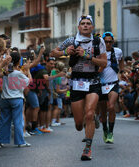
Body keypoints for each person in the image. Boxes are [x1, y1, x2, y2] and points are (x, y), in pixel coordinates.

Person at [51, 15, 107, 161]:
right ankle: (87, 121)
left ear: (92, 27)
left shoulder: (98, 41)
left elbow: (104, 63)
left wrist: (88, 56)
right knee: (78, 124)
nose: (86, 26)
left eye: (88, 23)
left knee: (89, 114)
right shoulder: (71, 40)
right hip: (76, 82)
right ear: (78, 27)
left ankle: (87, 149)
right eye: (83, 24)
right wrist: (64, 53)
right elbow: (53, 53)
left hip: (93, 81)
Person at [0, 51, 32, 147]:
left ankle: (1, 141)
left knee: (4, 120)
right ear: (19, 61)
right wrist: (28, 70)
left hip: (5, 98)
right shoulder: (18, 73)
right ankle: (20, 142)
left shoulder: (5, 72)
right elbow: (29, 81)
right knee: (18, 120)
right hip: (17, 98)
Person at [98, 32, 124, 144]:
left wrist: (121, 71)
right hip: (101, 84)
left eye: (110, 41)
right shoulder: (98, 52)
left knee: (111, 106)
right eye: (106, 41)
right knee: (103, 111)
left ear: (112, 42)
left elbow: (122, 60)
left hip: (113, 83)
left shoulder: (118, 51)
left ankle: (111, 132)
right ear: (103, 42)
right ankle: (105, 129)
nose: (108, 43)